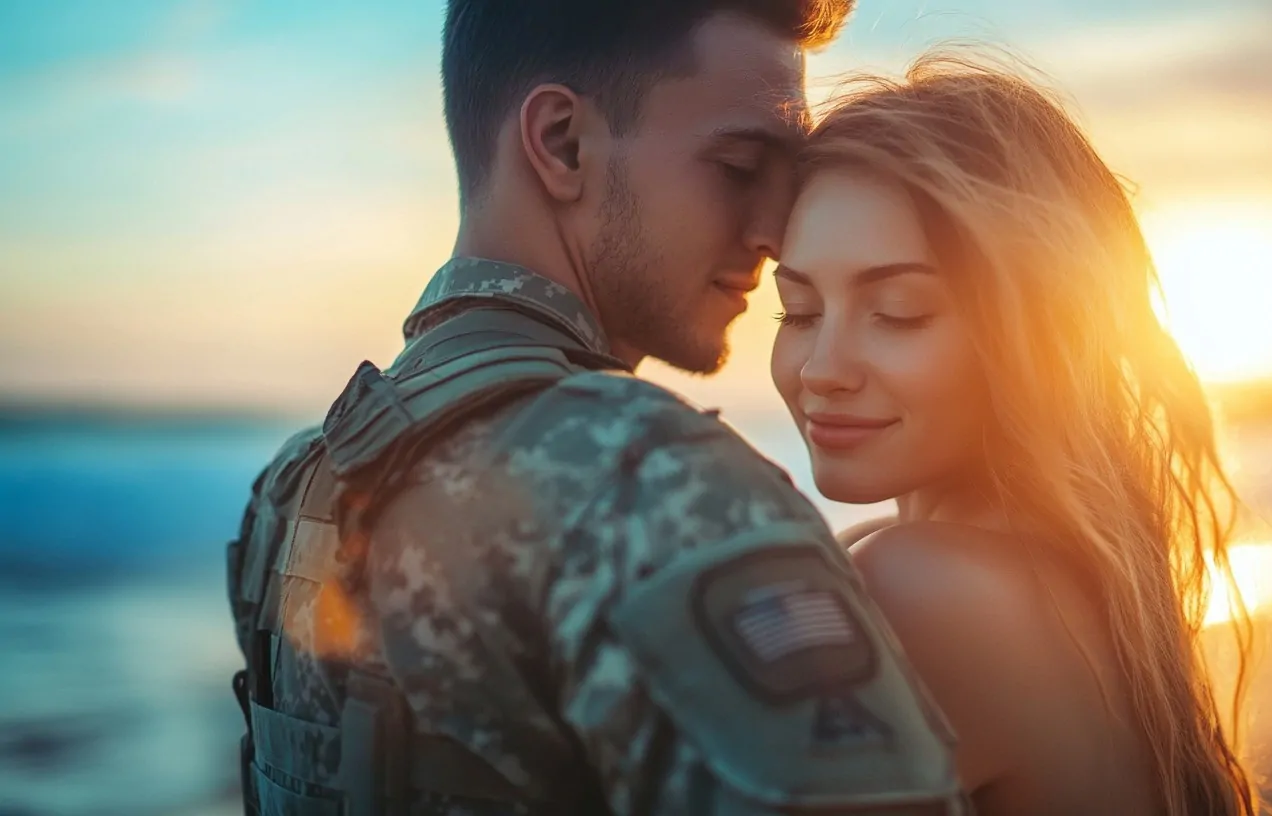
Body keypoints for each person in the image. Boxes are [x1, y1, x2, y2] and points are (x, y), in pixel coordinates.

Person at [224, 2, 969, 815]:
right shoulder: (657, 487)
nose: (773, 232)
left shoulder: (297, 488)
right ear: (561, 144)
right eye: (740, 166)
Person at [771, 53, 1261, 816]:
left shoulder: (924, 589)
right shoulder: (1069, 575)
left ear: (1037, 332)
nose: (821, 368)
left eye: (898, 312)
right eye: (798, 311)